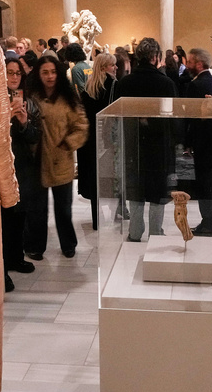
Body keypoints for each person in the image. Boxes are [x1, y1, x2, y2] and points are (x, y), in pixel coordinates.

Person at [109, 37, 177, 240]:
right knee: (157, 191)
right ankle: (156, 231)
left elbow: (116, 117)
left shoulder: (125, 83)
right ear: (155, 57)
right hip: (159, 146)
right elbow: (172, 120)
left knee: (136, 190)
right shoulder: (166, 83)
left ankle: (135, 231)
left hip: (133, 145)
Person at [25, 55, 89, 258]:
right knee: (37, 209)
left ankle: (68, 244)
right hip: (36, 162)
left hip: (61, 160)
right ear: (39, 74)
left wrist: (67, 144)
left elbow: (81, 126)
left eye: (53, 72)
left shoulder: (68, 99)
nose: (50, 76)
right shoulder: (31, 96)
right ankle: (35, 246)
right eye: (45, 72)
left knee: (63, 209)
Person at [2, 57, 40, 291]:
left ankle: (16, 258)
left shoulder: (28, 101)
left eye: (17, 73)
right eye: (9, 73)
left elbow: (35, 136)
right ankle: (2, 268)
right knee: (4, 219)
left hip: (23, 166)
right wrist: (5, 118)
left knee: (19, 216)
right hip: (2, 165)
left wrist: (24, 122)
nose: (14, 77)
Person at [184, 47, 212, 236]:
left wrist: (188, 142)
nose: (187, 65)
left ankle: (207, 223)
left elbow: (191, 117)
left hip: (203, 140)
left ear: (199, 64)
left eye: (190, 62)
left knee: (203, 183)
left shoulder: (195, 86)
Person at [79, 52, 117, 230]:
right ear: (104, 67)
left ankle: (96, 218)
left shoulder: (88, 87)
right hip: (108, 138)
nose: (115, 68)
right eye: (112, 65)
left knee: (94, 179)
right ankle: (116, 213)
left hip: (90, 139)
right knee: (112, 176)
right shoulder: (113, 86)